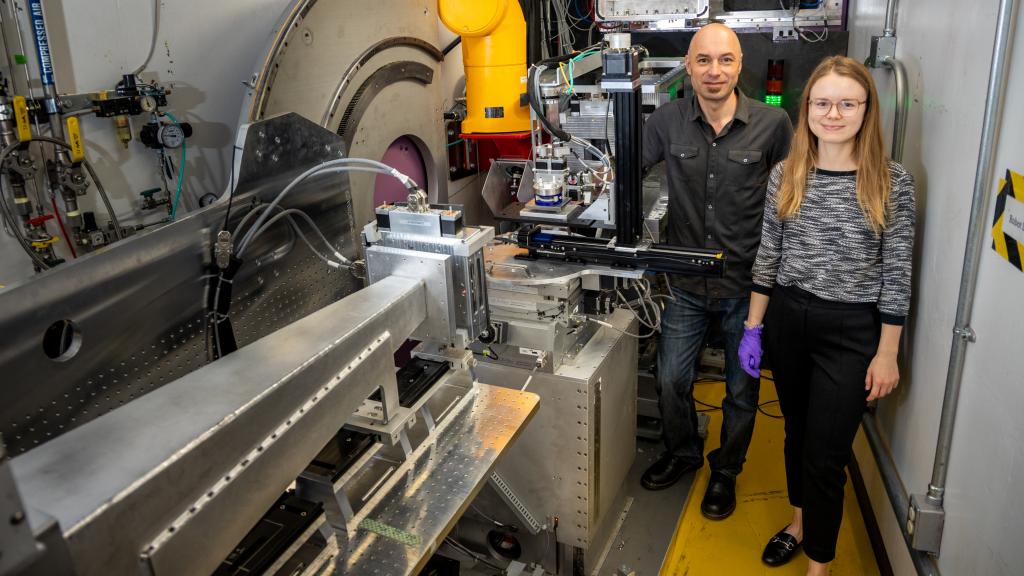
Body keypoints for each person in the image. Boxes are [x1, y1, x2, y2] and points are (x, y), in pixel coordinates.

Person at [740, 55, 916, 574]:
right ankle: (799, 524)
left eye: (847, 103)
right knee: (796, 433)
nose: (833, 113)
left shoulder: (891, 181)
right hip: (789, 320)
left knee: (826, 454)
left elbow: (897, 272)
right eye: (822, 102)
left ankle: (820, 564)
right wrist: (753, 328)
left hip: (852, 329)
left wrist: (887, 353)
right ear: (807, 108)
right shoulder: (787, 173)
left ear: (866, 110)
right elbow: (768, 254)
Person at [640, 22, 793, 521]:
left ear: (740, 64)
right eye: (703, 60)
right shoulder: (664, 122)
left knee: (742, 391)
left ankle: (725, 472)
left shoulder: (774, 126)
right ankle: (683, 453)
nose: (714, 71)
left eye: (725, 60)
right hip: (684, 285)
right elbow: (623, 175)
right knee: (669, 380)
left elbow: (792, 201)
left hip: (746, 292)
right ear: (688, 65)